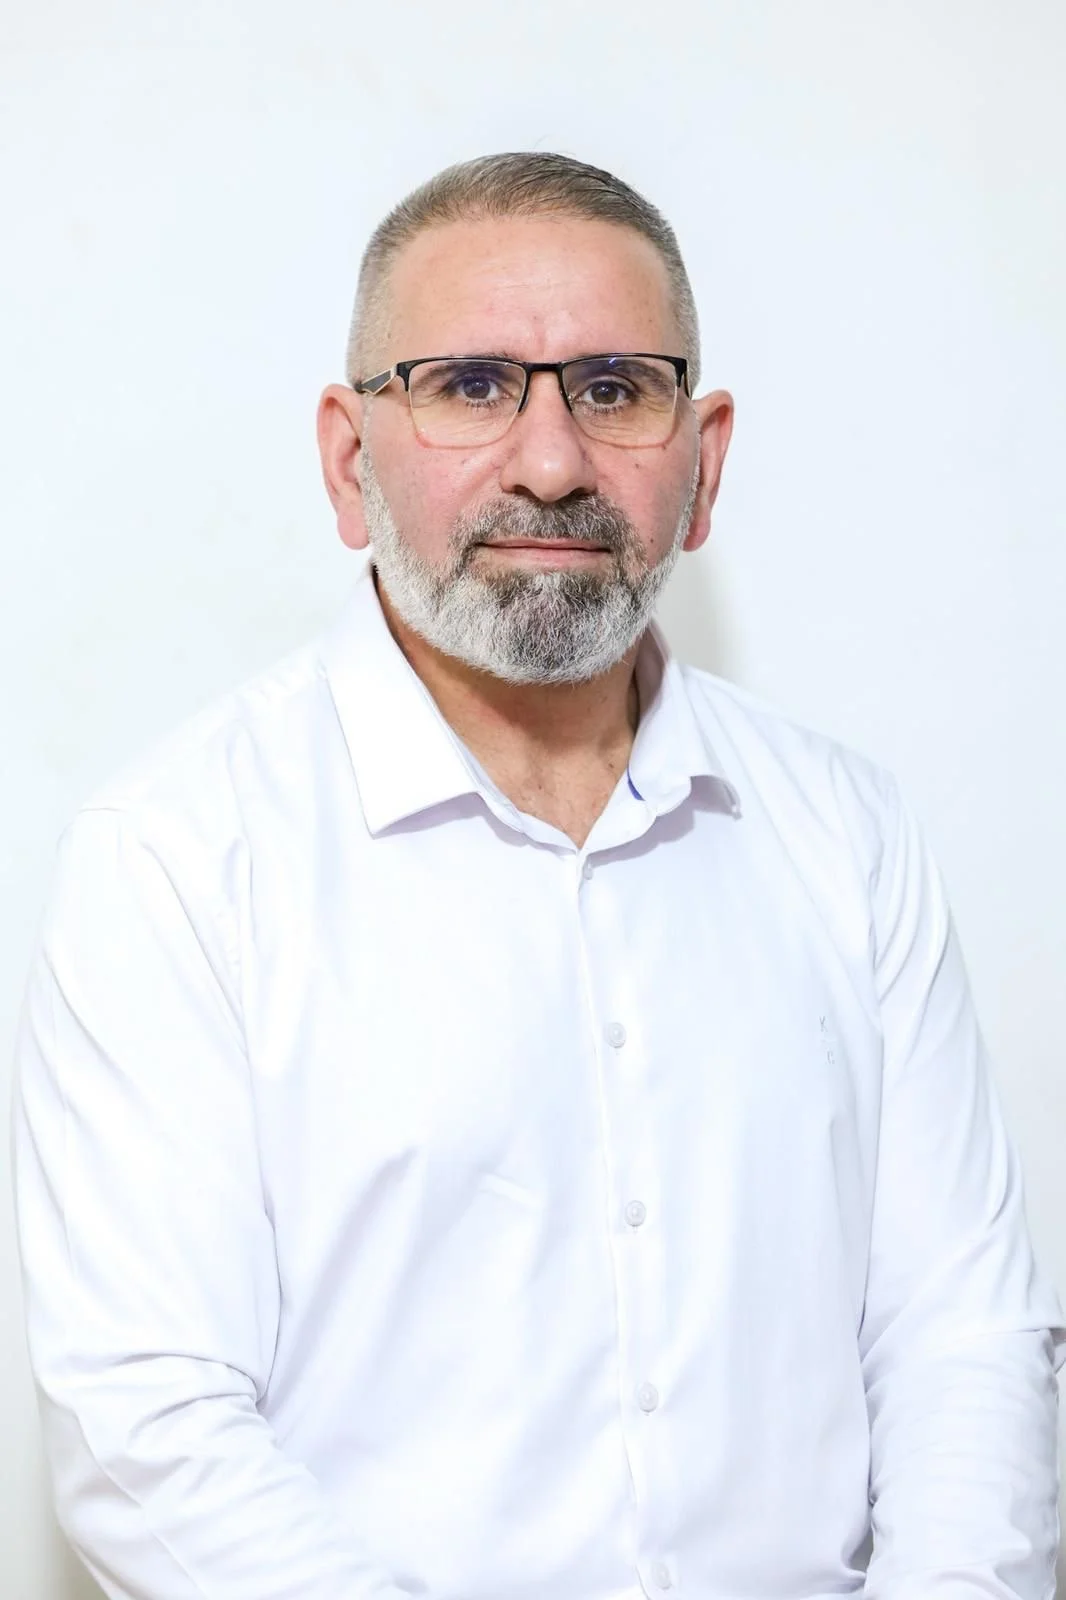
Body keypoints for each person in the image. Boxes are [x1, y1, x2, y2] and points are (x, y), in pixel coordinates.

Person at [12, 151, 1063, 1600]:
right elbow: (149, 1430)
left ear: (703, 461)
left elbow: (962, 1339)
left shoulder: (849, 833)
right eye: (469, 384)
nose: (552, 462)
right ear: (345, 456)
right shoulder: (177, 861)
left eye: (616, 387)